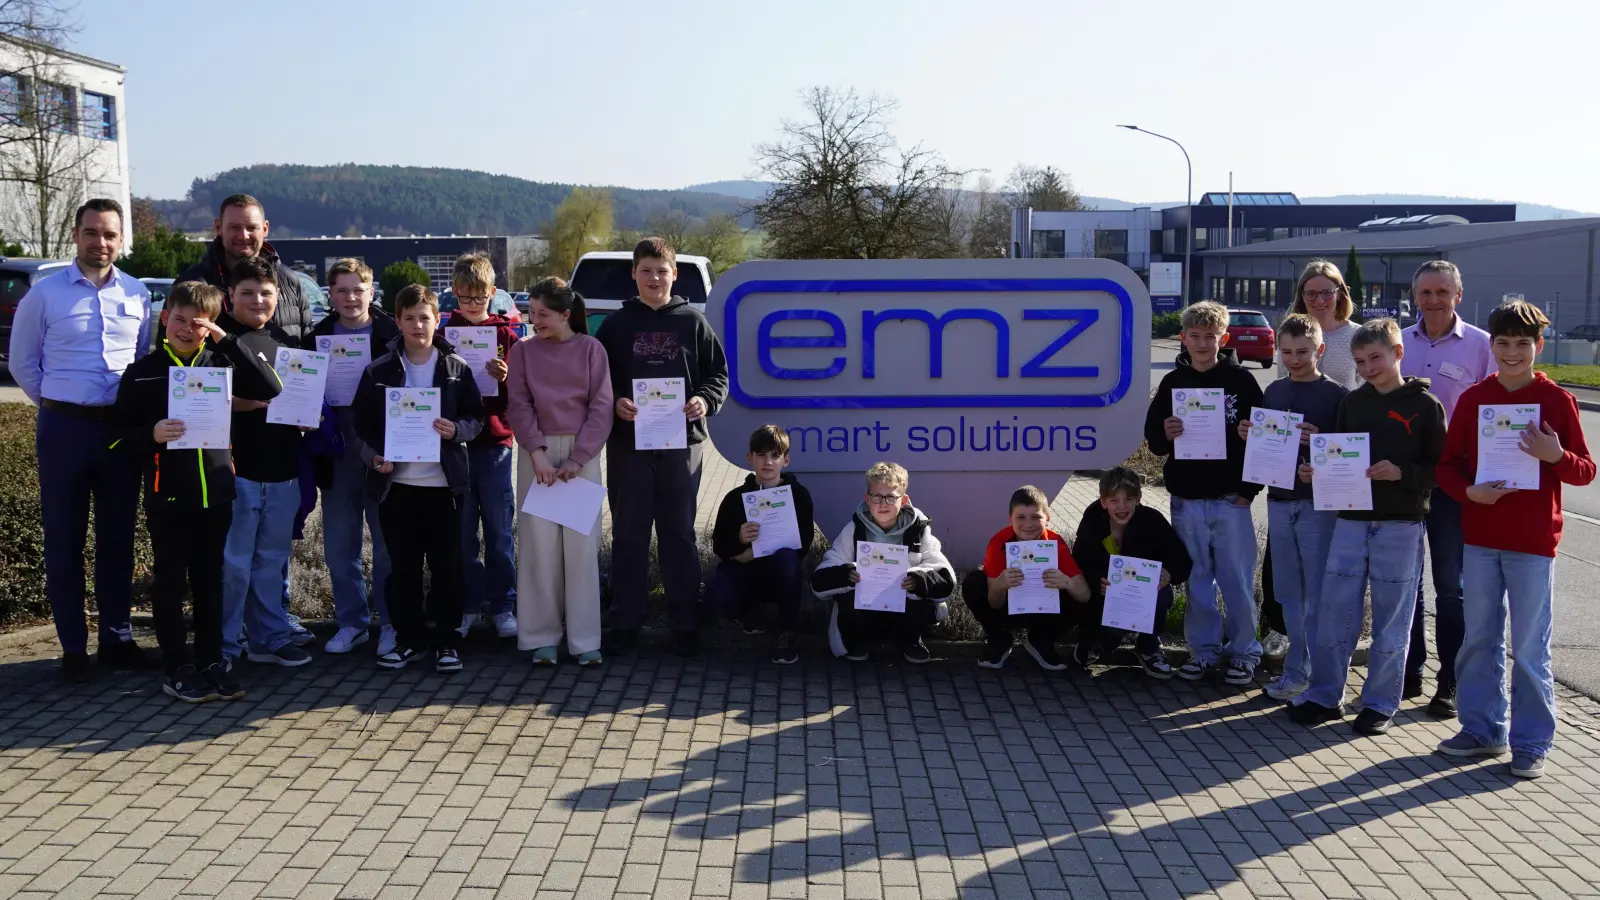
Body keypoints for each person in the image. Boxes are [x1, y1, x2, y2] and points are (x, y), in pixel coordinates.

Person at [1435, 300, 1594, 779]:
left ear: (1537, 347)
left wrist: (1555, 454)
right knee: (1479, 640)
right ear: (1492, 346)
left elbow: (1585, 471)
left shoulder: (1557, 401)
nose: (1510, 353)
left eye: (1521, 344)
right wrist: (1469, 492)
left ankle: (1531, 742)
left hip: (1532, 544)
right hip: (1481, 539)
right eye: (1502, 344)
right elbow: (1447, 465)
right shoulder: (1474, 398)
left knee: (1528, 648)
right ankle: (1483, 729)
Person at [7, 199, 153, 680]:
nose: (101, 242)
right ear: (76, 235)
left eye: (110, 234)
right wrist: (57, 402)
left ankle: (116, 638)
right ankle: (73, 646)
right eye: (92, 233)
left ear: (120, 239)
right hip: (64, 430)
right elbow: (24, 364)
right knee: (64, 539)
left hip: (117, 432)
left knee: (117, 539)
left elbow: (137, 362)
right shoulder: (43, 296)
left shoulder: (137, 295)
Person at [1289, 318, 1446, 735]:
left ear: (1398, 353)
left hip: (1400, 524)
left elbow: (1441, 469)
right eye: (1360, 361)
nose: (1368, 367)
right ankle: (1325, 696)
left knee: (1392, 621)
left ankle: (1379, 704)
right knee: (1335, 611)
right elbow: (1338, 457)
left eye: (1375, 357)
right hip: (1351, 521)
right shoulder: (1352, 403)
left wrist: (1402, 473)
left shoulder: (1426, 407)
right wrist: (1316, 473)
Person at [108, 282, 249, 702]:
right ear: (166, 317)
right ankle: (177, 666)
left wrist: (228, 340)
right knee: (170, 583)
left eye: (199, 322)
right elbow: (113, 438)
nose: (187, 329)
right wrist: (150, 434)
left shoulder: (222, 364)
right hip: (168, 496)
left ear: (210, 326)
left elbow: (271, 387)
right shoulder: (144, 371)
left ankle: (209, 662)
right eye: (180, 319)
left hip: (217, 495)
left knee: (211, 583)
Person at [593, 237, 729, 657]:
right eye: (647, 270)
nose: (655, 278)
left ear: (675, 274)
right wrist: (616, 400)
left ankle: (685, 623)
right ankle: (625, 622)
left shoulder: (693, 321)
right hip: (628, 445)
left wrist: (704, 400)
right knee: (629, 535)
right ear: (634, 274)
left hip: (681, 444)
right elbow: (598, 381)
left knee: (678, 535)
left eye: (662, 270)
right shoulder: (615, 326)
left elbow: (719, 376)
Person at [353, 284, 486, 673]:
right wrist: (373, 455)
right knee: (403, 569)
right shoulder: (378, 370)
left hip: (445, 487)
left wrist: (455, 430)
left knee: (448, 567)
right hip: (397, 487)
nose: (417, 324)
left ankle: (446, 642)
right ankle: (410, 640)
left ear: (437, 319)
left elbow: (476, 417)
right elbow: (359, 426)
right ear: (397, 321)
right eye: (408, 318)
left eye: (424, 317)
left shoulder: (456, 368)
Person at [1142, 300, 1265, 685]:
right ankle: (1204, 651)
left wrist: (1249, 490)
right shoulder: (1173, 383)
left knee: (1238, 582)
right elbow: (1154, 440)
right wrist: (1167, 432)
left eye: (1210, 337)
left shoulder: (1242, 382)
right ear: (1182, 338)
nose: (1201, 343)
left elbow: (1263, 441)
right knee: (1197, 581)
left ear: (1223, 339)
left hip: (1231, 499)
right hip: (1187, 499)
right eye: (1194, 336)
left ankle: (1245, 652)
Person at [1401, 260, 1496, 719]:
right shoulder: (1396, 342)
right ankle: (1409, 668)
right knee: (1405, 582)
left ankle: (1451, 680)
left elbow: (1498, 407)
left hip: (1452, 486)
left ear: (1458, 295)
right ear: (1414, 296)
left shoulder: (1481, 346)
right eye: (1425, 292)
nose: (1433, 300)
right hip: (1400, 482)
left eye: (1442, 292)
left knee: (1450, 586)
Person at [1260, 259, 1363, 661]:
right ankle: (1291, 647)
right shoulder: (1284, 368)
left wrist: (1327, 451)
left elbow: (1355, 426)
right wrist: (1257, 437)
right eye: (1311, 292)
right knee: (1286, 578)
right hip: (1284, 490)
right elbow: (1276, 412)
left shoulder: (1353, 346)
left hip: (1329, 484)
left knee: (1324, 578)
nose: (1319, 298)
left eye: (1327, 291)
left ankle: (1324, 658)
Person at [506, 277, 612, 666]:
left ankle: (585, 641)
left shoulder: (591, 350)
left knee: (581, 550)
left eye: (544, 314)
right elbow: (518, 404)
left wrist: (577, 459)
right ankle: (541, 637)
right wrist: (536, 453)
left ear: (566, 314)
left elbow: (602, 407)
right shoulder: (523, 351)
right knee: (539, 548)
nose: (535, 321)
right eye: (531, 313)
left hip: (581, 456)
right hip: (538, 454)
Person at [1247, 314, 1349, 701]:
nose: (1294, 358)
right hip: (1279, 501)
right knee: (1289, 592)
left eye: (1302, 351)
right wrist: (1248, 435)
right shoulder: (1273, 392)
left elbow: (1349, 454)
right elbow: (1264, 447)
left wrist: (1322, 441)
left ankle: (1322, 677)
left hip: (1317, 507)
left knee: (1318, 593)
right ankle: (1295, 671)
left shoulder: (1338, 396)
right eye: (1286, 351)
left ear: (1319, 350)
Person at [305, 258, 400, 656]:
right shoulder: (318, 335)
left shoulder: (392, 333)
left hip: (382, 451)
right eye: (341, 290)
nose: (350, 297)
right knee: (339, 548)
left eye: (357, 289)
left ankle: (393, 624)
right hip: (336, 453)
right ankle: (352, 623)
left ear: (371, 290)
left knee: (388, 546)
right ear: (330, 294)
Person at [217, 257, 308, 669]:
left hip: (283, 470)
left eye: (266, 293)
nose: (258, 300)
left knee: (271, 562)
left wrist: (312, 416)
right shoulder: (216, 342)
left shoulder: (287, 344)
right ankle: (224, 643)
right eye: (248, 293)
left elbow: (296, 399)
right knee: (234, 565)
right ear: (229, 296)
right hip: (239, 471)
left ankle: (268, 638)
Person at [445, 253, 521, 641]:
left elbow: (522, 397)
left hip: (495, 446)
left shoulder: (507, 336)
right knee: (462, 534)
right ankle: (469, 605)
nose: (473, 305)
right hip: (457, 446)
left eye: (480, 298)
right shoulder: (444, 336)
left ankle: (504, 605)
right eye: (466, 297)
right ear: (455, 293)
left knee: (499, 530)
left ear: (493, 293)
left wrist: (506, 379)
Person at [813, 462, 955, 664]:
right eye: (876, 496)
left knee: (923, 595)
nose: (882, 503)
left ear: (903, 500)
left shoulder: (919, 529)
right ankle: (860, 640)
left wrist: (917, 579)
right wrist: (846, 574)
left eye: (890, 497)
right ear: (866, 499)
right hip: (868, 606)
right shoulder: (855, 528)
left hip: (904, 606)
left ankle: (911, 640)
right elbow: (821, 578)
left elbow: (944, 577)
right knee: (847, 597)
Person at [1070, 468, 1192, 679]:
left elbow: (1182, 560)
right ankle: (1094, 641)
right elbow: (1078, 561)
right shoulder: (1092, 519)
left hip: (1141, 597)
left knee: (1163, 595)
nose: (1122, 506)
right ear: (1103, 502)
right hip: (1104, 598)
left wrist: (1168, 573)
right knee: (1106, 639)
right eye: (1114, 500)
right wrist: (1096, 579)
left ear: (1138, 499)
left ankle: (1148, 647)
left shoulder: (1152, 521)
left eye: (1129, 498)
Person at [709, 425, 816, 665]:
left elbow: (804, 544)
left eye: (775, 455)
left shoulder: (798, 495)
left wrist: (755, 552)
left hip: (780, 573)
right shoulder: (734, 498)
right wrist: (739, 541)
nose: (768, 462)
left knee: (787, 559)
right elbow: (719, 545)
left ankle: (787, 630)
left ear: (785, 460)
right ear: (750, 458)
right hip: (746, 571)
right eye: (761, 455)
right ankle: (750, 611)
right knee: (718, 596)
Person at [959, 485, 1089, 672]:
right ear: (1010, 519)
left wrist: (1066, 582)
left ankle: (1040, 640)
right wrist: (1000, 586)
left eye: (1036, 517)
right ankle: (1000, 639)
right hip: (1008, 608)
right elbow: (994, 604)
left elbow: (1084, 595)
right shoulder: (998, 542)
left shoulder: (1056, 543)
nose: (1028, 524)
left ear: (1048, 518)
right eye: (1020, 517)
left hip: (1044, 610)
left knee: (1080, 590)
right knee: (974, 582)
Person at [175, 193, 314, 343]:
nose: (243, 236)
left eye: (251, 227)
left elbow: (306, 346)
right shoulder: (192, 283)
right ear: (218, 227)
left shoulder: (290, 281)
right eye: (234, 227)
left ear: (265, 228)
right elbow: (171, 347)